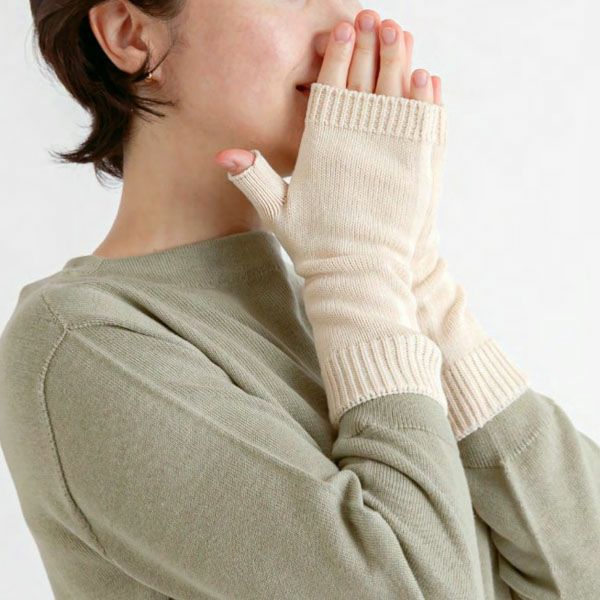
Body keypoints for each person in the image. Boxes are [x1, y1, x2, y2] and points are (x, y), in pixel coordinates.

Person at [0, 1, 598, 598]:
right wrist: (360, 268)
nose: (349, 23)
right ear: (131, 36)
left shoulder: (351, 300)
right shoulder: (82, 345)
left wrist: (415, 275)